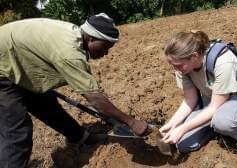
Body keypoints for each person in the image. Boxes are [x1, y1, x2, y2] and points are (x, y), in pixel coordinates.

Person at [0, 13, 148, 167]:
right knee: (16, 130)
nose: (106, 53)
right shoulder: (70, 53)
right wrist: (131, 122)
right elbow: (95, 99)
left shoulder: (74, 34)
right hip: (2, 69)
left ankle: (80, 137)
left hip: (12, 57)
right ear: (91, 38)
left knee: (46, 103)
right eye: (105, 47)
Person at [159, 31, 237, 153]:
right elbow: (190, 100)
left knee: (223, 121)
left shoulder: (222, 61)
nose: (175, 69)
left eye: (178, 65)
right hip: (212, 99)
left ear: (194, 56)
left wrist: (183, 128)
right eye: (173, 65)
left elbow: (214, 107)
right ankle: (218, 127)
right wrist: (172, 124)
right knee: (183, 144)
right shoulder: (182, 69)